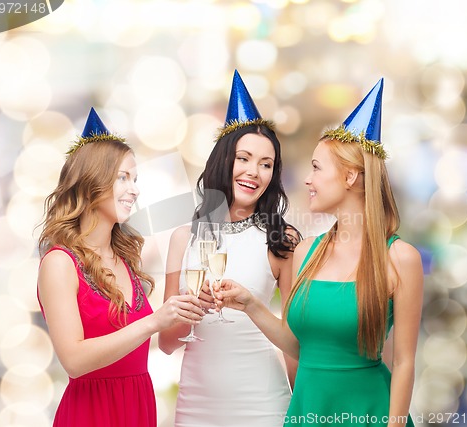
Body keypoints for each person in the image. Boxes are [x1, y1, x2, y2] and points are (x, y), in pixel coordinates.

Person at [215, 79, 424, 426]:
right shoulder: (306, 251)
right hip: (307, 413)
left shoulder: (400, 258)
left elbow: (404, 362)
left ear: (351, 177)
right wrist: (250, 304)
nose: (307, 180)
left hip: (369, 413)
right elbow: (299, 346)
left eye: (316, 167)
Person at [36, 108, 204, 427]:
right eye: (123, 178)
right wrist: (153, 322)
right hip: (91, 414)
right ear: (90, 183)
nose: (135, 190)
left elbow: (156, 338)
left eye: (135, 179)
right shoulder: (59, 263)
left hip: (137, 407)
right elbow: (73, 360)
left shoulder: (125, 258)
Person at [158, 70, 301, 427]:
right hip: (196, 406)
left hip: (263, 404)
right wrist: (190, 310)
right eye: (244, 158)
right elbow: (166, 342)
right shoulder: (183, 239)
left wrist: (305, 411)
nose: (254, 171)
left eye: (266, 164)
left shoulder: (283, 241)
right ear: (224, 161)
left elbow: (297, 343)